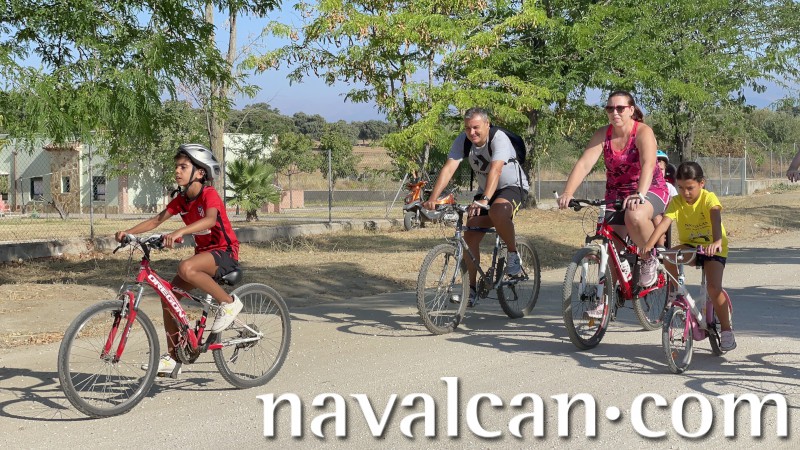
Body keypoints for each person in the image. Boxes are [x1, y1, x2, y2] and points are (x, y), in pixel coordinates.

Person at [115, 144, 242, 374]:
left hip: (225, 253)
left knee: (185, 267)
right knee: (168, 298)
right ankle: (174, 357)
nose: (177, 171)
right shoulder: (182, 200)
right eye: (176, 166)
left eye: (183, 167)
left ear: (200, 173)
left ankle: (229, 303)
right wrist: (128, 233)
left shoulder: (209, 194)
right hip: (204, 256)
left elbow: (210, 220)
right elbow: (156, 221)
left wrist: (179, 232)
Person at [557, 91, 670, 288]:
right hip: (617, 192)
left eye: (620, 108)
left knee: (634, 215)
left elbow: (648, 164)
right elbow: (584, 164)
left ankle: (648, 257)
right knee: (611, 254)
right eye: (610, 108)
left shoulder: (643, 132)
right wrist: (568, 192)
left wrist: (640, 194)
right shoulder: (603, 134)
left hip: (650, 187)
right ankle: (607, 300)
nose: (614, 112)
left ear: (631, 110)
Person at [423, 107, 529, 306]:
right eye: (467, 128)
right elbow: (449, 168)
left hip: (511, 187)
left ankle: (513, 254)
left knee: (498, 212)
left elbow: (496, 170)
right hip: (486, 191)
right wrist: (433, 198)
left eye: (476, 128)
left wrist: (485, 200)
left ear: (487, 124)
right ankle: (470, 291)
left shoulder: (498, 138)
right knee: (470, 234)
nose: (471, 132)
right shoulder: (463, 141)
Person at [640, 161, 735, 351]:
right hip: (691, 246)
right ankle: (676, 291)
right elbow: (664, 224)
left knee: (714, 288)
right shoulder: (676, 202)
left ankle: (726, 331)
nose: (686, 193)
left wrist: (717, 241)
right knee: (669, 256)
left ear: (702, 183)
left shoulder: (709, 198)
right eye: (681, 188)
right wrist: (649, 245)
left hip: (712, 247)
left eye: (690, 188)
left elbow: (715, 217)